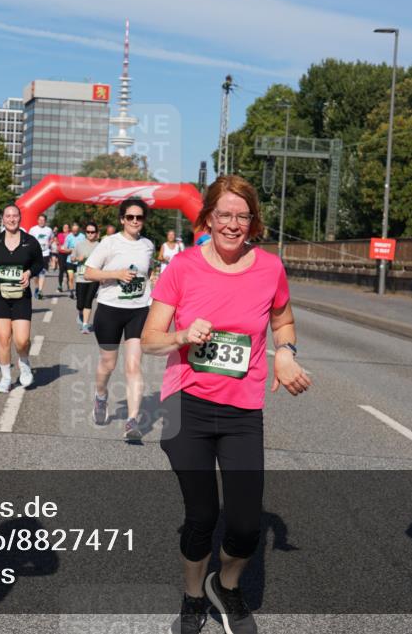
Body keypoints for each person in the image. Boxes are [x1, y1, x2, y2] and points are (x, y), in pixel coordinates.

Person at [141, 175, 310, 634]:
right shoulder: (183, 267)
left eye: (243, 216)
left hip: (242, 412)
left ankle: (225, 585)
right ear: (208, 219)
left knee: (246, 526)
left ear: (253, 222)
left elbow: (283, 320)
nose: (233, 225)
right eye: (225, 215)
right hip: (186, 406)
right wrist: (181, 334)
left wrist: (286, 353)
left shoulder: (269, 268)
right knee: (201, 517)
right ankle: (193, 596)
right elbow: (150, 339)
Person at [84, 198, 155, 440]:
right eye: (130, 217)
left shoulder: (148, 245)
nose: (135, 221)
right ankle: (101, 396)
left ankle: (132, 421)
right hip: (110, 309)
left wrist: (151, 284)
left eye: (139, 217)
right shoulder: (109, 242)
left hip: (139, 310)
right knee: (108, 364)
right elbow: (89, 272)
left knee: (133, 365)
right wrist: (116, 274)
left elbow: (148, 272)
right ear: (122, 219)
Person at [0, 204, 45, 393]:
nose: (11, 219)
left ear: (20, 218)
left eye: (15, 215)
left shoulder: (30, 242)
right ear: (3, 219)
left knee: (22, 340)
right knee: (3, 338)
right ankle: (6, 378)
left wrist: (29, 272)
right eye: (8, 216)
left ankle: (24, 363)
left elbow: (39, 263)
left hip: (21, 296)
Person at [70, 222, 100, 334]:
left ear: (96, 233)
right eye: (88, 232)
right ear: (85, 233)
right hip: (81, 277)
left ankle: (85, 325)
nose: (90, 234)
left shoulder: (100, 246)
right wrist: (78, 258)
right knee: (80, 304)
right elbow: (72, 258)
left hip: (94, 277)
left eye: (92, 232)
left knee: (88, 301)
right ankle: (80, 313)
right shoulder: (79, 245)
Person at [28, 214, 54, 300]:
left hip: (45, 253)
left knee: (42, 272)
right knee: (36, 274)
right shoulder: (33, 229)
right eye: (40, 220)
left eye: (43, 220)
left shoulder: (49, 230)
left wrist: (49, 244)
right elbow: (29, 239)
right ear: (37, 220)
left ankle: (40, 291)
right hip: (35, 254)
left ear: (45, 221)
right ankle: (37, 287)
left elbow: (52, 238)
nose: (41, 221)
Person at [64, 222, 86, 298]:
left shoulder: (83, 236)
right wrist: (71, 250)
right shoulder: (68, 237)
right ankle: (71, 292)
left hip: (80, 262)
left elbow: (85, 248)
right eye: (73, 231)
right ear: (71, 230)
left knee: (80, 278)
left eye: (76, 231)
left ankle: (79, 292)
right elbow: (65, 249)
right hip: (70, 261)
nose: (75, 232)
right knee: (71, 278)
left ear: (78, 230)